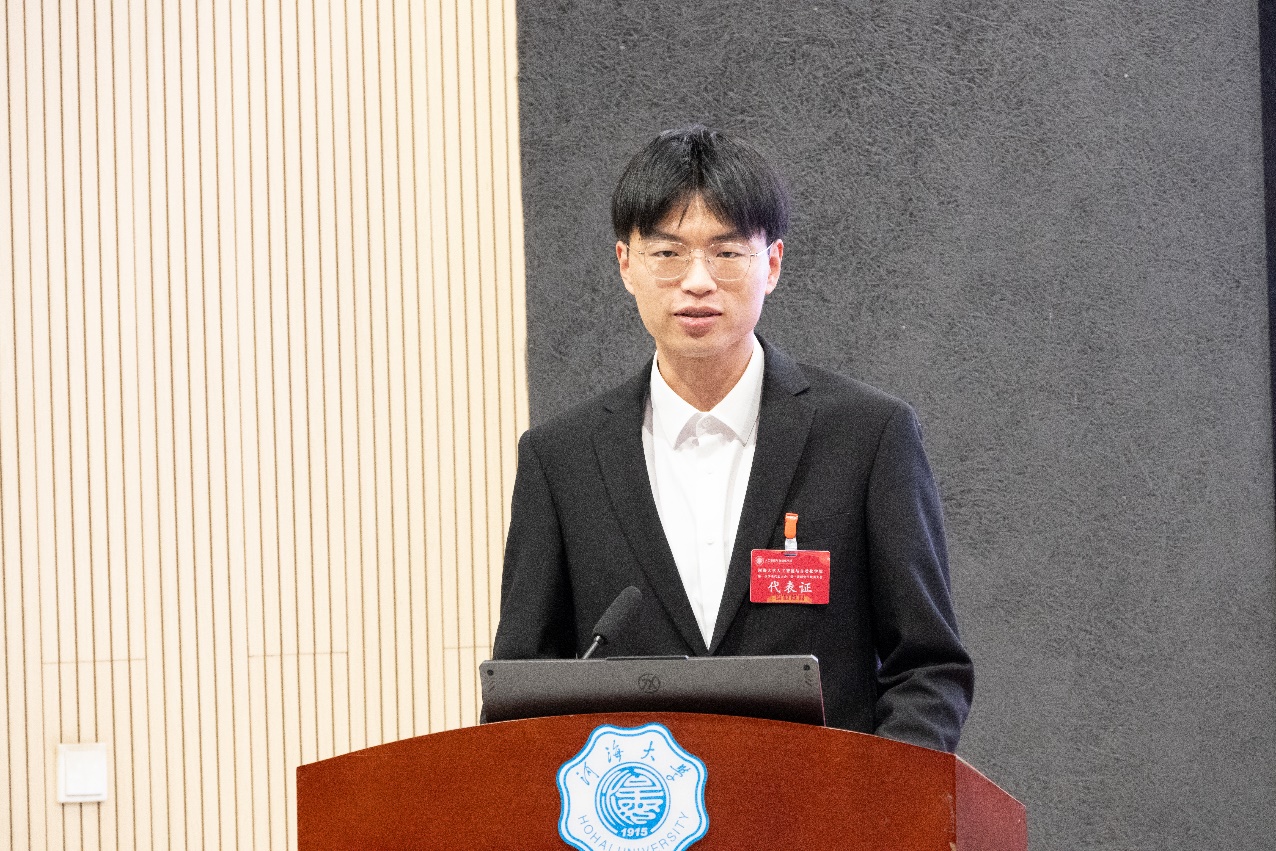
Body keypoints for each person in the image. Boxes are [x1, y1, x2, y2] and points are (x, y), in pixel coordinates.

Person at [491, 125, 973, 752]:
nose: (697, 281)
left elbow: (929, 669)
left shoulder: (867, 436)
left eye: (725, 253)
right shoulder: (562, 460)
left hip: (820, 805)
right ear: (626, 264)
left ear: (771, 264)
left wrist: (876, 797)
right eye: (668, 253)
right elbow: (523, 689)